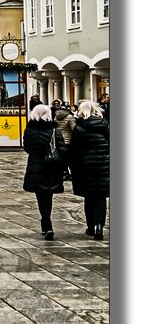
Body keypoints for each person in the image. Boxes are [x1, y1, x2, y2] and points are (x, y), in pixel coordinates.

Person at [22, 104, 66, 240]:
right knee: (49, 195)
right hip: (51, 167)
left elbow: (27, 148)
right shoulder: (54, 130)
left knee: (40, 195)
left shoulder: (29, 130)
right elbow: (62, 149)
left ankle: (46, 223)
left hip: (36, 165)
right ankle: (47, 223)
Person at [68, 100, 109, 240]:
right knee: (101, 197)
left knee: (89, 197)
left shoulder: (79, 128)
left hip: (85, 167)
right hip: (104, 166)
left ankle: (91, 226)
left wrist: (73, 168)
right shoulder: (105, 125)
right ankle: (99, 226)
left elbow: (74, 151)